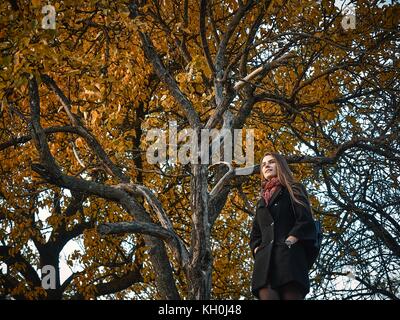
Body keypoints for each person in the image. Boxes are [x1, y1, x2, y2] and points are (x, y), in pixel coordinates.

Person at [249, 152, 317, 300]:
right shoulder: (261, 201)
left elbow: (305, 220)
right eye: (263, 164)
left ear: (280, 165)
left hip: (289, 261)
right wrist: (257, 250)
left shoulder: (294, 188)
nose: (266, 165)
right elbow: (255, 234)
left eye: (271, 162)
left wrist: (290, 241)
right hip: (265, 266)